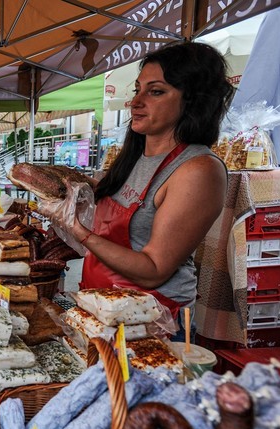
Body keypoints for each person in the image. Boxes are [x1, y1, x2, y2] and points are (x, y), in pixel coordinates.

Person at [46, 42, 233, 338]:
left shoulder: (198, 170)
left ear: (193, 100)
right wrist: (70, 193)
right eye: (137, 90)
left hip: (152, 322)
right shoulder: (134, 156)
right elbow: (119, 209)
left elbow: (154, 268)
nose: (136, 102)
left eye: (156, 91)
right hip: (103, 306)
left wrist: (78, 230)